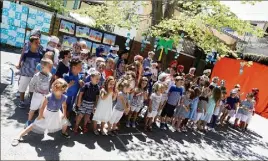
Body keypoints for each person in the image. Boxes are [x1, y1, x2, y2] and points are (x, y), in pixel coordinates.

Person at [11, 79, 70, 146]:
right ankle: (19, 136)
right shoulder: (49, 96)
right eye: (61, 90)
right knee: (34, 125)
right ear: (55, 88)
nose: (63, 91)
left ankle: (63, 132)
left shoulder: (64, 97)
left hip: (57, 113)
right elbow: (42, 107)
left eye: (64, 90)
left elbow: (64, 105)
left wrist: (64, 114)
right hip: (47, 113)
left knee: (65, 122)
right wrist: (41, 115)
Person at [25, 58, 53, 127]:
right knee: (33, 109)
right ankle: (29, 121)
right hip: (37, 95)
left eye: (51, 67)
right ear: (43, 67)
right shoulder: (37, 75)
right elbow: (31, 84)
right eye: (49, 67)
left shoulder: (50, 75)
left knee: (42, 108)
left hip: (45, 96)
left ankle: (39, 121)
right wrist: (32, 92)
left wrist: (49, 91)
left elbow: (48, 84)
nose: (51, 68)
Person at [18, 36, 43, 108]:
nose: (38, 44)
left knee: (32, 89)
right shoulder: (26, 53)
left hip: (34, 76)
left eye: (39, 43)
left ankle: (31, 102)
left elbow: (41, 65)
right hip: (25, 74)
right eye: (36, 43)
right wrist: (20, 67)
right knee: (22, 87)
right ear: (30, 43)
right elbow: (22, 63)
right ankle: (21, 101)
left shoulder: (40, 54)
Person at [63, 59, 83, 125]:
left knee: (69, 109)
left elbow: (80, 86)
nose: (81, 68)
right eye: (79, 66)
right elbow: (62, 88)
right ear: (74, 68)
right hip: (66, 97)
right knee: (64, 109)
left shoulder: (79, 76)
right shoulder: (67, 76)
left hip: (73, 97)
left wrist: (81, 83)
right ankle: (62, 122)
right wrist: (69, 85)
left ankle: (66, 122)